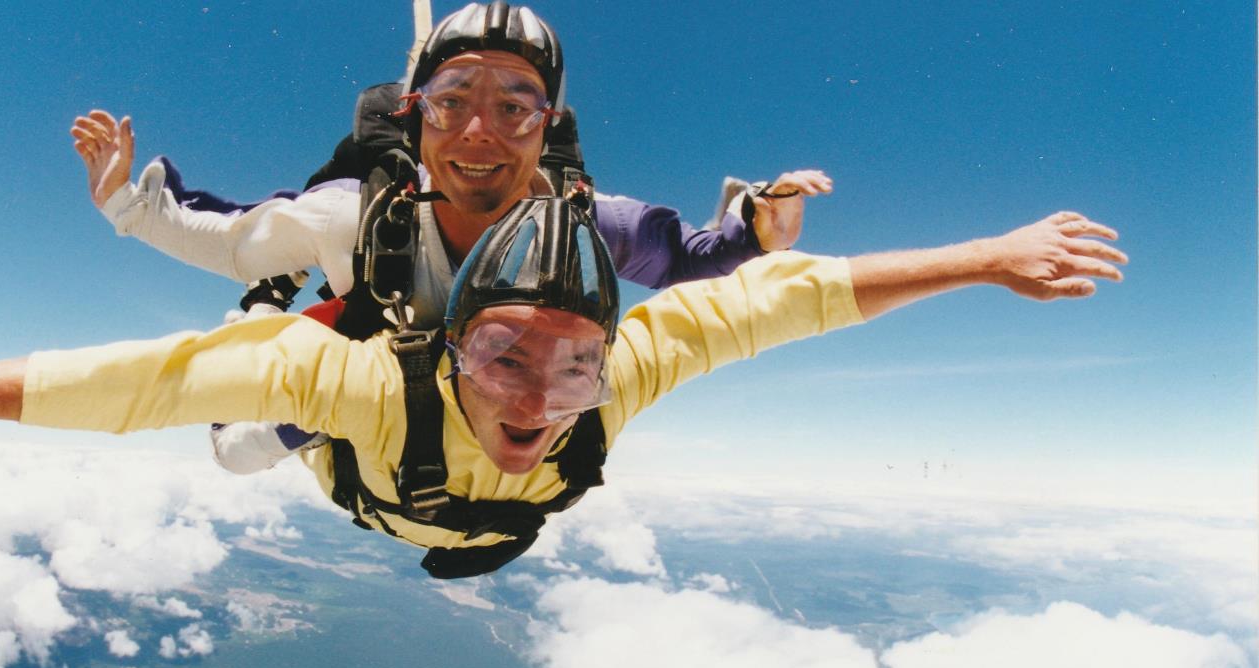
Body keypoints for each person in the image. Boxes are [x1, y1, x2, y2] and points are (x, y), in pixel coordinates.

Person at [0, 199, 1125, 578]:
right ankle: (310, 282)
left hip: (434, 510)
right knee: (233, 427)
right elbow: (131, 383)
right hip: (337, 446)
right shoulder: (354, 385)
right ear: (447, 349)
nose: (552, 391)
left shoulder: (625, 370)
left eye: (579, 356)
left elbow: (784, 296)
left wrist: (988, 258)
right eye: (508, 351)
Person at [69, 0, 831, 474]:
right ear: (416, 115)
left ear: (549, 126)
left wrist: (754, 231)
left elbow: (680, 258)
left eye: (515, 108)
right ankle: (265, 309)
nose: (478, 132)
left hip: (458, 374)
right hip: (372, 344)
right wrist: (126, 208)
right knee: (238, 453)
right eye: (451, 101)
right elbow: (233, 240)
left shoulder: (574, 221)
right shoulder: (357, 217)